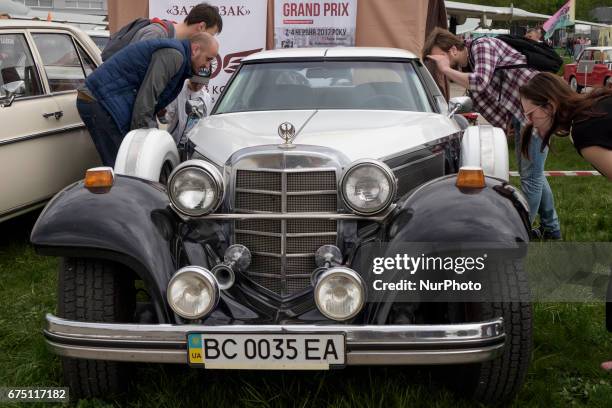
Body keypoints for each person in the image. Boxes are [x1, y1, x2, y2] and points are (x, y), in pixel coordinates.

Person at [424, 28, 561, 239]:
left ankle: (521, 235)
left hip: (539, 111)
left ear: (452, 49)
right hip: (524, 113)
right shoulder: (472, 59)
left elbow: (480, 82)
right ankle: (551, 229)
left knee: (530, 178)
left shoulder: (482, 46)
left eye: (439, 57)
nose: (438, 64)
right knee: (535, 175)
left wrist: (446, 70)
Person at [76, 33, 219, 167]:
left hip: (103, 101)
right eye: (208, 59)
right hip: (100, 101)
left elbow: (148, 100)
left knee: (123, 164)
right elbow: (146, 100)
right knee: (121, 166)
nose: (207, 66)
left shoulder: (178, 57)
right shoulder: (174, 56)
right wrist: (142, 143)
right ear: (195, 49)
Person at [518, 72, 612, 180]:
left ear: (550, 106)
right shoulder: (597, 103)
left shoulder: (583, 131)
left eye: (530, 114)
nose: (529, 122)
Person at [132, 2, 222, 43]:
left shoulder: (178, 43)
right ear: (201, 27)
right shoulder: (156, 33)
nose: (210, 41)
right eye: (210, 35)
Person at [165, 76, 213, 144]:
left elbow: (205, 121)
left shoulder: (206, 97)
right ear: (189, 78)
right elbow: (167, 117)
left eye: (201, 84)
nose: (197, 86)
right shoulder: (177, 92)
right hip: (175, 142)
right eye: (194, 83)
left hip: (194, 144)